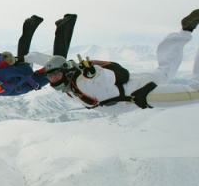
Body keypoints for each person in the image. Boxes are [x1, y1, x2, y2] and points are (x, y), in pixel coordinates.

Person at [29, 9, 199, 113]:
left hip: (143, 95)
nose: (54, 79)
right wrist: (22, 58)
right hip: (139, 83)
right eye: (51, 77)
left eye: (57, 75)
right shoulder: (70, 80)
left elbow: (104, 79)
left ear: (65, 72)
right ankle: (184, 32)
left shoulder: (81, 81)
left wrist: (94, 74)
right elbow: (50, 61)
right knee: (165, 71)